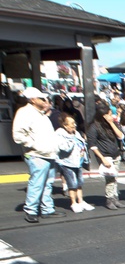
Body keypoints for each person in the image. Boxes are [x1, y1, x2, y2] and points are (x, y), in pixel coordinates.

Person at [12, 87, 63, 222]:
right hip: (37, 154)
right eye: (42, 98)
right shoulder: (25, 113)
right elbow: (18, 135)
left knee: (47, 184)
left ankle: (47, 209)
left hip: (48, 153)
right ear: (33, 100)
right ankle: (31, 210)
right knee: (37, 183)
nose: (45, 100)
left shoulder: (40, 114)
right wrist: (35, 145)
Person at [87, 99, 125, 211]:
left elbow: (121, 136)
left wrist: (111, 123)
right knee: (110, 179)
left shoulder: (113, 124)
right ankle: (109, 199)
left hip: (116, 154)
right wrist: (102, 158)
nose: (112, 116)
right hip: (105, 156)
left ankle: (115, 198)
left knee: (114, 178)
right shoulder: (94, 127)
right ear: (103, 116)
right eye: (110, 115)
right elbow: (92, 145)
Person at [54, 114, 93, 212]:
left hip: (77, 162)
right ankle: (73, 203)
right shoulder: (59, 134)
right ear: (65, 125)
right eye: (71, 124)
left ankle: (81, 201)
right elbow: (64, 148)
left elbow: (82, 144)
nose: (74, 125)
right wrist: (72, 140)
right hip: (67, 163)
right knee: (72, 184)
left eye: (74, 123)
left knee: (79, 183)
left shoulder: (76, 133)